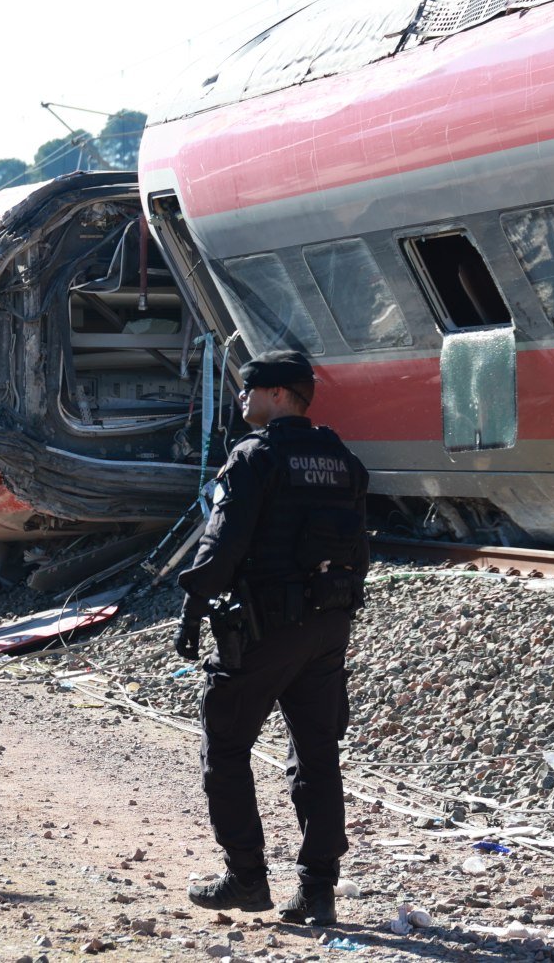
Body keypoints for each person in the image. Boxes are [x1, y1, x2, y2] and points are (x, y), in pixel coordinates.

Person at [174, 350, 370, 927]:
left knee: (227, 746)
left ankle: (246, 877)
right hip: (328, 627)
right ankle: (317, 891)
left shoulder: (254, 457)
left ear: (280, 395)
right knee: (316, 755)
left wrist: (192, 606)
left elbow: (221, 547)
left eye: (251, 388)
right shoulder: (342, 458)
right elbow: (360, 551)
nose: (242, 397)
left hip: (264, 629)